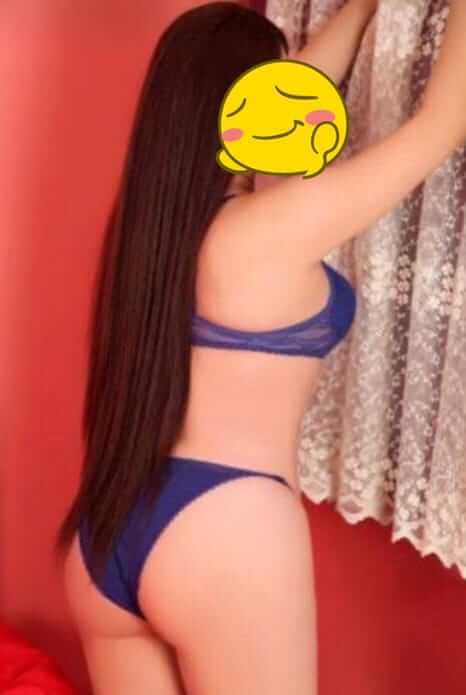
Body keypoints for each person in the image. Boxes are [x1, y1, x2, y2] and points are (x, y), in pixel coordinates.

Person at [56, 1, 466, 693]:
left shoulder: (153, 232)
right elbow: (439, 127)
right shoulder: (267, 229)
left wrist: (363, 7)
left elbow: (291, 92)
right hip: (226, 531)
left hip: (107, 530)